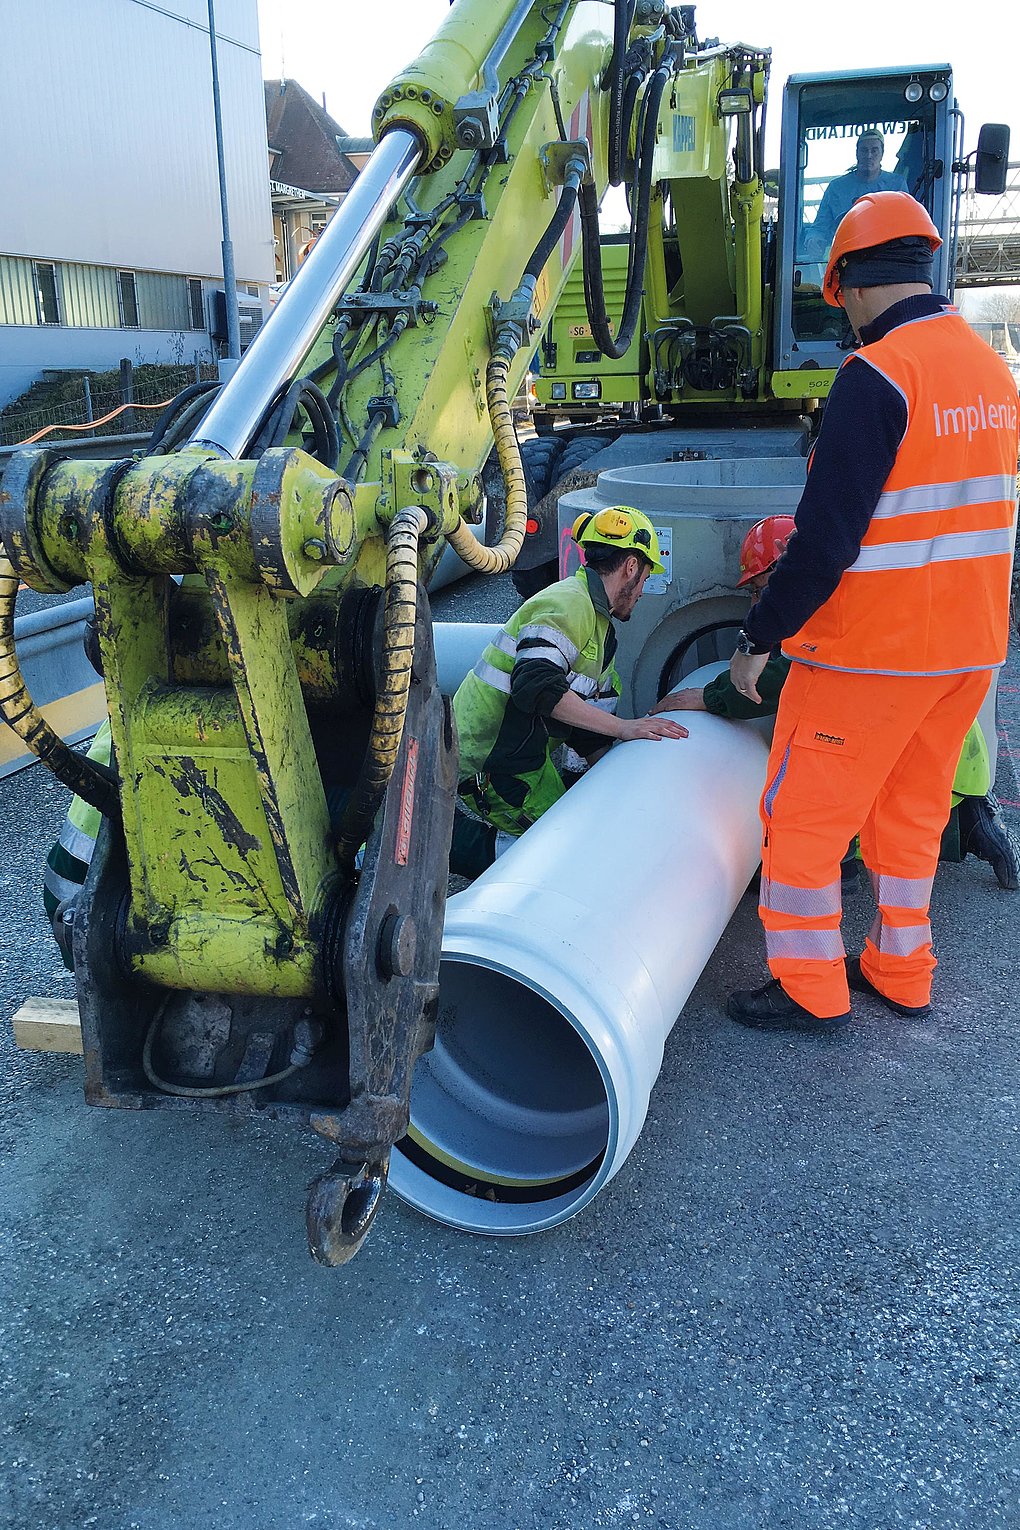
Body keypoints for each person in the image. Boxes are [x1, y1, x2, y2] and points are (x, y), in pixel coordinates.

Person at [721, 191, 1019, 1032]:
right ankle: (900, 968)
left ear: (849, 282)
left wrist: (757, 638)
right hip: (968, 653)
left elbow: (824, 544)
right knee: (911, 819)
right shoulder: (991, 372)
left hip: (869, 656)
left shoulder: (878, 375)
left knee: (803, 822)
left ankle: (811, 990)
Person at [653, 514, 1020, 891]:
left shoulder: (827, 607)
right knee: (909, 823)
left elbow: (782, 677)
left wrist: (711, 698)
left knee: (834, 799)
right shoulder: (867, 583)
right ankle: (971, 821)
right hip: (957, 751)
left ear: (785, 568)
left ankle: (838, 864)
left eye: (761, 588)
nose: (757, 601)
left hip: (897, 738)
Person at [449, 505, 688, 877]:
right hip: (495, 759)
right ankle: (441, 840)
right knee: (552, 854)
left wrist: (612, 778)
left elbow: (581, 715)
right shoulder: (568, 604)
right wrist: (625, 728)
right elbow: (536, 687)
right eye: (645, 578)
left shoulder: (598, 624)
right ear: (630, 567)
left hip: (525, 754)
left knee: (572, 841)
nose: (642, 591)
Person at [806, 130, 909, 256]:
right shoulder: (836, 187)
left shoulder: (897, 185)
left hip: (885, 258)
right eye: (864, 150)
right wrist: (812, 240)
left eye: (874, 150)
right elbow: (819, 227)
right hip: (845, 258)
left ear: (882, 154)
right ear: (857, 153)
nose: (869, 155)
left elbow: (906, 228)